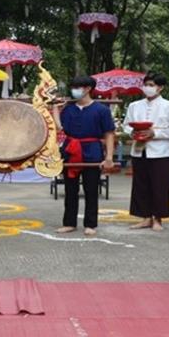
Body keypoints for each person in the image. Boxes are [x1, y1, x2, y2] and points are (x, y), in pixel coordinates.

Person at [123, 73, 169, 232]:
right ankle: (145, 217)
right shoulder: (134, 106)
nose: (148, 88)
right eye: (146, 84)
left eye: (152, 85)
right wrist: (133, 133)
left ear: (160, 87)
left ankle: (158, 218)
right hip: (139, 150)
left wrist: (155, 134)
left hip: (160, 152)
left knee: (159, 185)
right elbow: (126, 126)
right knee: (141, 184)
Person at [57, 75, 116, 235]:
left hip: (92, 151)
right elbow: (60, 127)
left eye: (78, 87)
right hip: (71, 150)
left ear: (88, 89)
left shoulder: (101, 110)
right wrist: (56, 108)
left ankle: (91, 224)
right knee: (70, 189)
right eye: (73, 87)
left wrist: (109, 157)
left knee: (91, 189)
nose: (74, 91)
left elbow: (109, 133)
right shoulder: (68, 109)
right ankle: (69, 222)